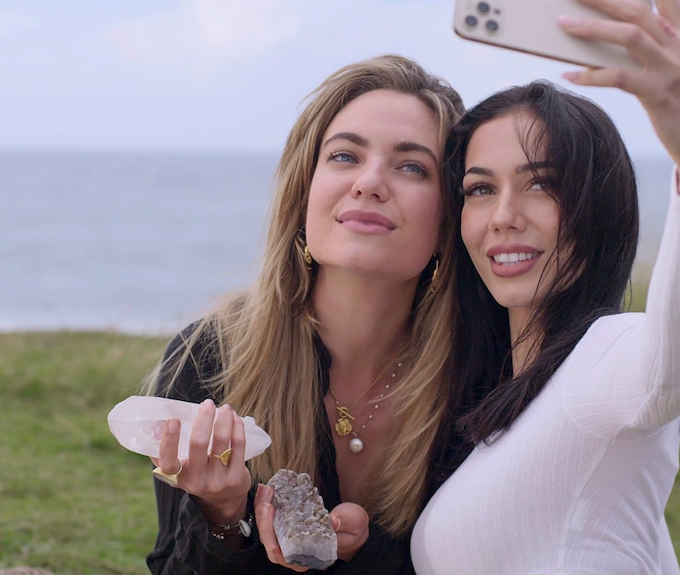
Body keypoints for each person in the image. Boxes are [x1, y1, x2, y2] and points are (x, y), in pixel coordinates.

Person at [411, 0, 680, 573]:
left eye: (541, 185)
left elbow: (671, 364)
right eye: (480, 190)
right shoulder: (497, 405)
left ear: (597, 208)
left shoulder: (603, 359)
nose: (502, 216)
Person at [143, 54, 467, 574]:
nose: (369, 182)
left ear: (452, 213)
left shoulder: (478, 375)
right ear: (305, 189)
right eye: (344, 156)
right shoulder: (212, 356)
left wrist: (369, 556)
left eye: (412, 166)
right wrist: (223, 518)